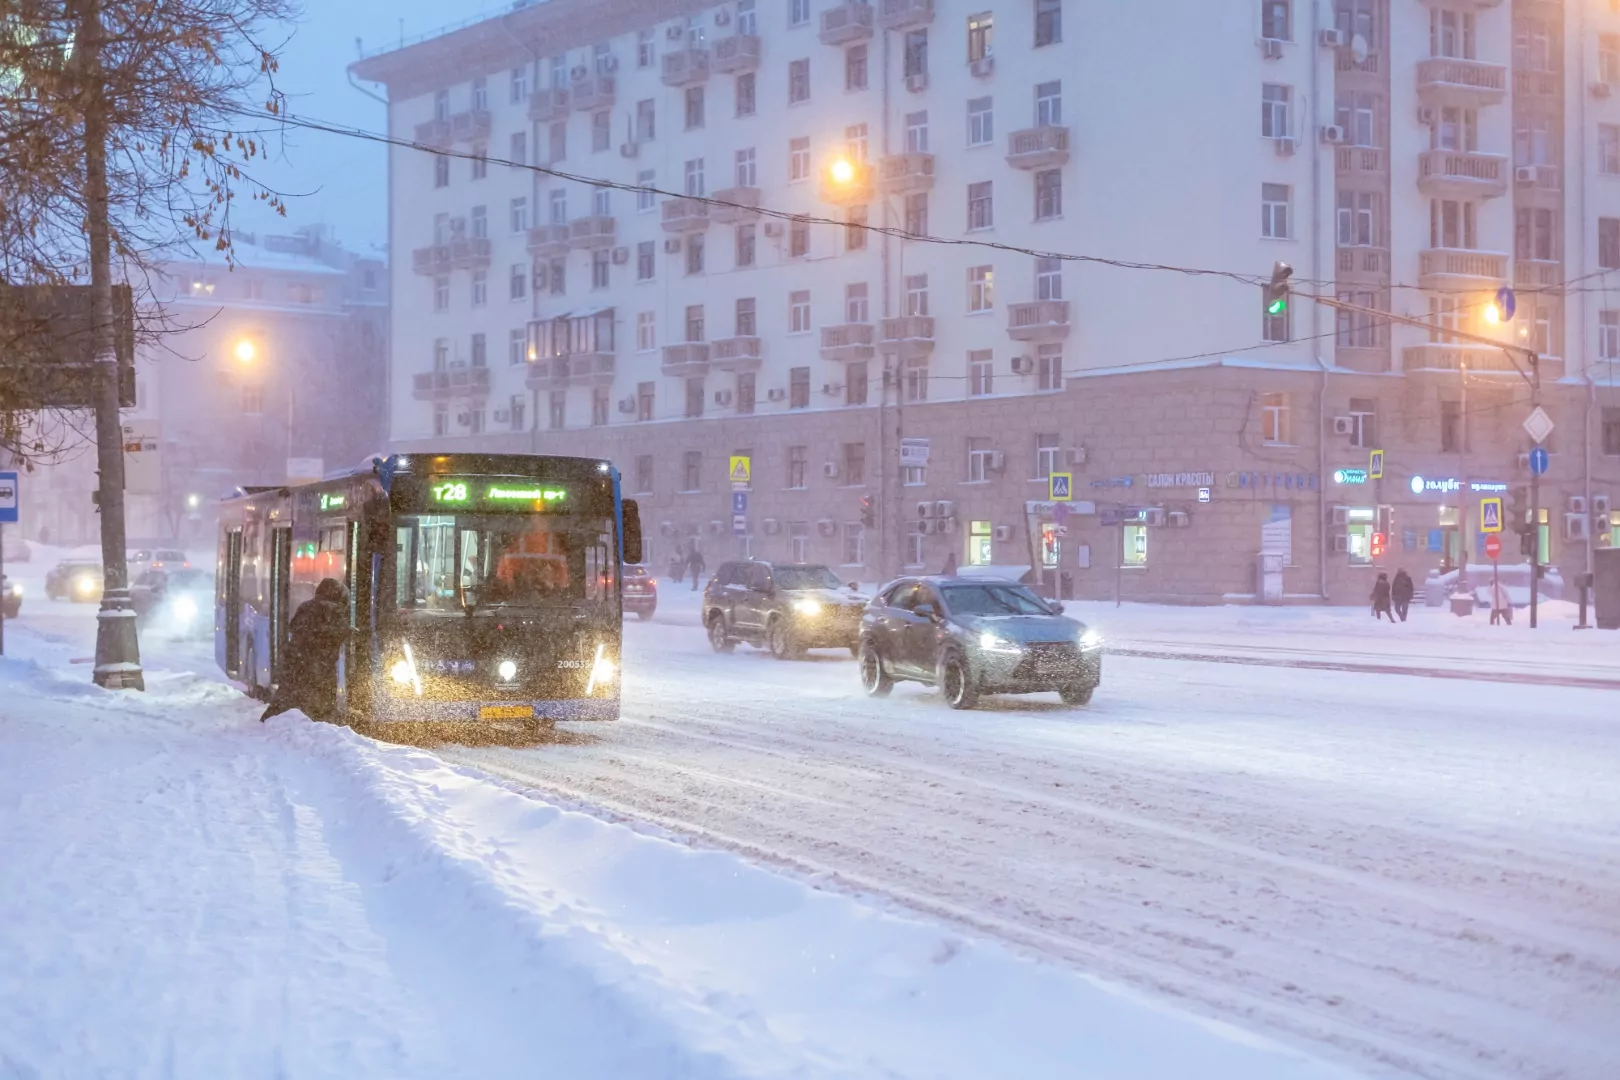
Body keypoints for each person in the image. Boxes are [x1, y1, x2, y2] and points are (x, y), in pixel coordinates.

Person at [260, 578, 348, 722]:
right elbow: (338, 633)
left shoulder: (305, 606)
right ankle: (320, 724)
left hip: (296, 659)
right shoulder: (334, 610)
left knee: (289, 694)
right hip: (319, 663)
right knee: (321, 700)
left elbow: (293, 627)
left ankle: (274, 719)